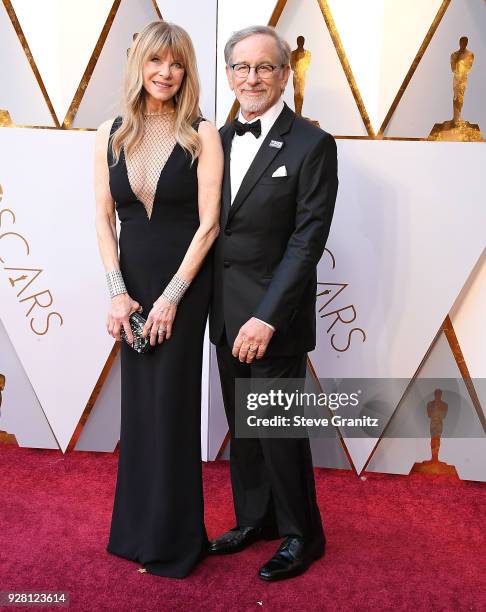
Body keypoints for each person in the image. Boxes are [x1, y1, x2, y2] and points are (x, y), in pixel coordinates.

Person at [209, 25, 338, 581]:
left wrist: (266, 316)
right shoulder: (213, 139)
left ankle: (302, 535)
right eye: (242, 67)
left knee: (280, 432)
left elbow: (307, 240)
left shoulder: (313, 144)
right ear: (229, 73)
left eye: (264, 67)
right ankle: (255, 519)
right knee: (244, 428)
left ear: (285, 74)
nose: (252, 77)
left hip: (273, 319)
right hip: (223, 311)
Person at [94, 21, 223, 578]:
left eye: (176, 64)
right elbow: (102, 218)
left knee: (171, 408)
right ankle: (134, 533)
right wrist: (117, 293)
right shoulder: (110, 133)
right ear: (138, 65)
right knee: (139, 410)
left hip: (182, 289)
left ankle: (174, 543)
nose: (165, 73)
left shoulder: (202, 133)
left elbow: (210, 224)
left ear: (187, 70)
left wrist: (172, 297)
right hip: (132, 289)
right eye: (155, 62)